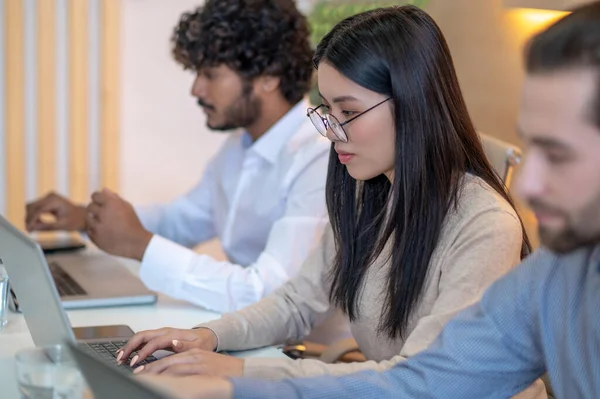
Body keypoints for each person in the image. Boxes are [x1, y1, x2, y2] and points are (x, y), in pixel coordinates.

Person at [130, 2, 600, 398]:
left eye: (349, 112)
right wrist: (208, 339)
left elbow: (420, 384)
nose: (333, 130)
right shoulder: (365, 193)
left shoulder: (486, 225)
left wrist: (242, 376)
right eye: (328, 111)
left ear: (413, 103)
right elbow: (304, 303)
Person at [23, 0, 334, 316]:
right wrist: (84, 216)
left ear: (270, 76)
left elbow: (271, 294)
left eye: (210, 74)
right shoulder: (238, 148)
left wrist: (140, 245)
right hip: (254, 336)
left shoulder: (319, 157)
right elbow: (179, 221)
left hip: (307, 354)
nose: (196, 89)